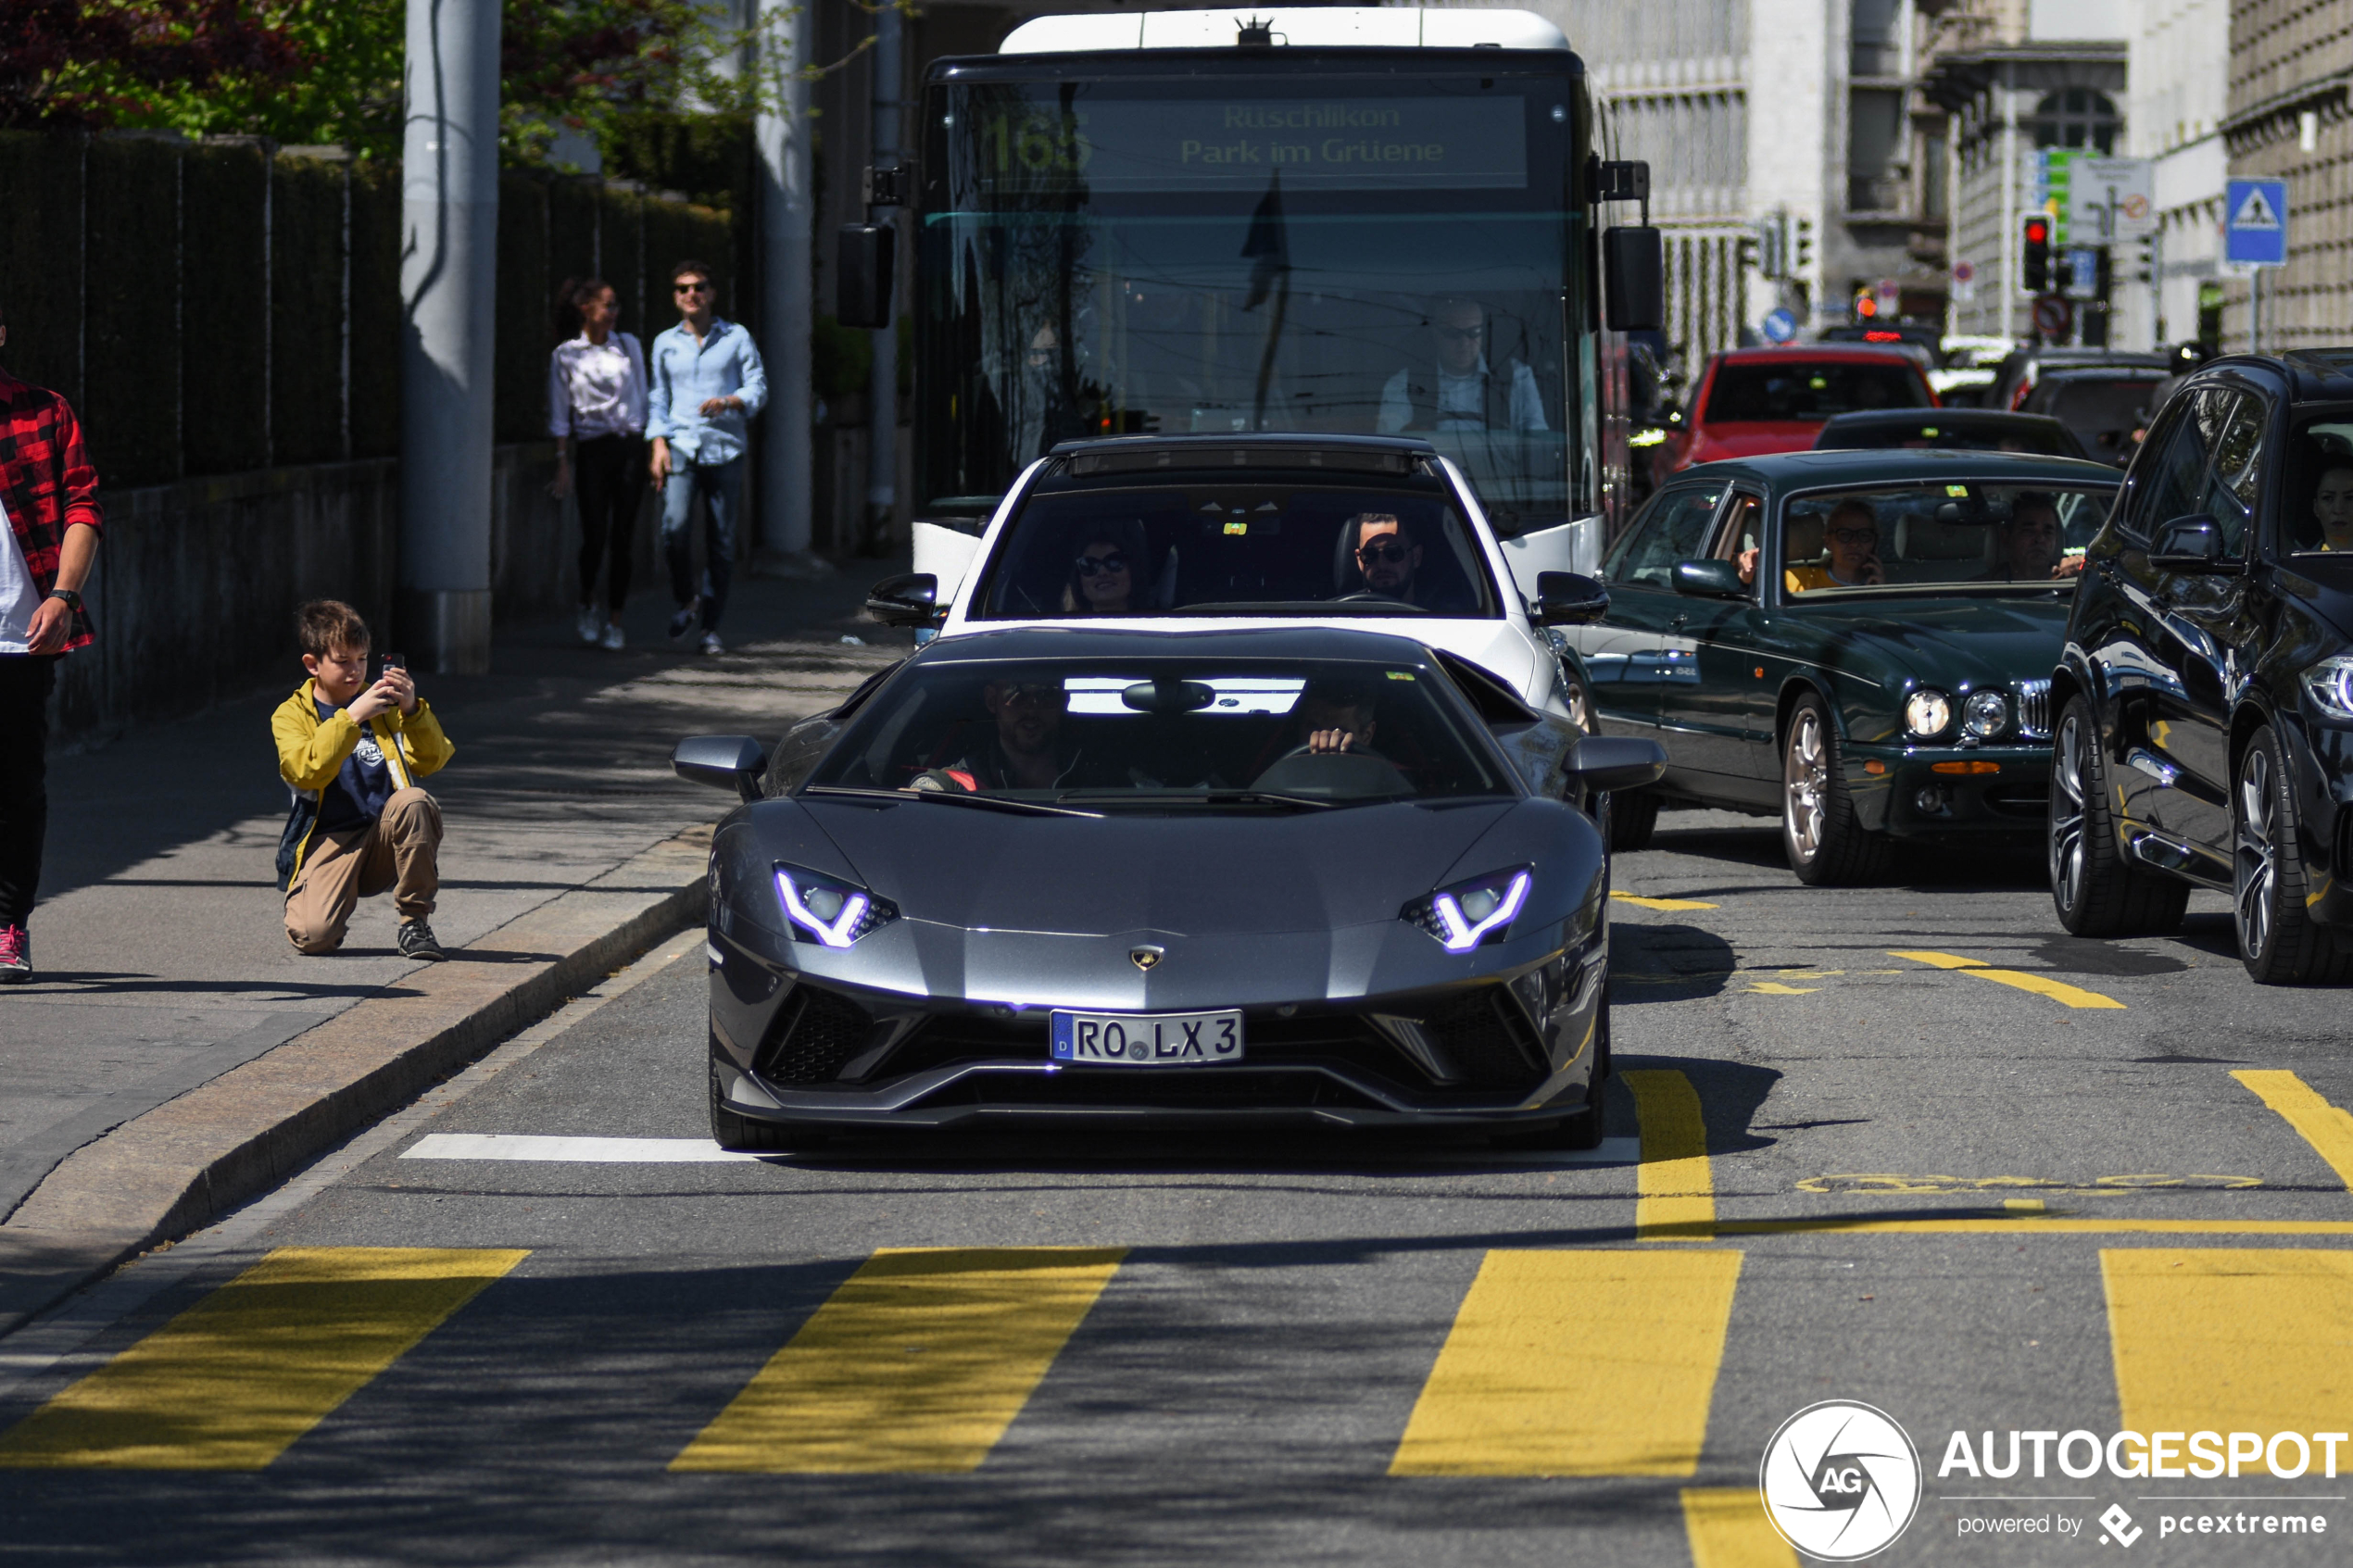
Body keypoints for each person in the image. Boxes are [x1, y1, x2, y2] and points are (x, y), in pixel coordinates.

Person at [0, 300, 104, 984]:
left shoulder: (42, 412)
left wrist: (64, 596)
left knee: (14, 784)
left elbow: (82, 504)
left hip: (19, 635)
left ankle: (9, 926)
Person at [272, 600, 455, 960]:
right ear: (313, 665)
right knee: (313, 937)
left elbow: (432, 760)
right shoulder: (291, 714)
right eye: (342, 661)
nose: (355, 671)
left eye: (362, 658)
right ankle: (327, 897)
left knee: (414, 801)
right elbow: (305, 770)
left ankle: (414, 923)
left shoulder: (385, 704)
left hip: (383, 836)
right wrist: (351, 717)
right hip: (327, 840)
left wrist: (413, 710)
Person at [648, 260, 766, 657]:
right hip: (681, 443)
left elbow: (758, 387)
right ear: (675, 297)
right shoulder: (665, 342)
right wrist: (658, 444)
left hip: (725, 448)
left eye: (698, 287)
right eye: (683, 289)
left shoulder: (736, 337)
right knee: (674, 526)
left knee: (721, 541)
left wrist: (730, 400)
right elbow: (657, 398)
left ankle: (710, 628)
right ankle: (687, 599)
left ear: (712, 293)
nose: (691, 294)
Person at [547, 277, 648, 651]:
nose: (613, 313)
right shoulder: (567, 355)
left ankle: (616, 619)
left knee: (623, 536)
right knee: (594, 535)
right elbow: (560, 413)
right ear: (586, 309)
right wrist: (562, 461)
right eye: (607, 306)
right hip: (592, 447)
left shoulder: (628, 346)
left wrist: (652, 447)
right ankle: (587, 599)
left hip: (629, 446)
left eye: (616, 306)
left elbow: (643, 395)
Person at [1376, 296, 1547, 435]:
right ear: (1436, 334)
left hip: (1503, 477)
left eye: (1473, 333)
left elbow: (1536, 440)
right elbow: (1392, 443)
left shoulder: (1516, 376)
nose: (1464, 343)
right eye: (1453, 333)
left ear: (1483, 332)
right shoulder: (1404, 383)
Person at [909, 679, 1085, 793]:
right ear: (992, 700)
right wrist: (919, 792)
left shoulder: (1097, 774)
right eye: (1017, 692)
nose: (1032, 708)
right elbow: (934, 784)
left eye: (1048, 694)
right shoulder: (969, 778)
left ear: (1064, 701)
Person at [1741, 499, 1885, 593]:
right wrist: (1746, 574)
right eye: (1844, 535)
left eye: (1864, 535)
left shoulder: (1894, 586)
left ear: (1874, 542)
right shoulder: (1795, 580)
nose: (1855, 543)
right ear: (1828, 541)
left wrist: (1882, 593)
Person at [1988, 493, 2085, 581]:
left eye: (2048, 532)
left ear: (2056, 539)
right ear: (2006, 537)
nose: (2040, 539)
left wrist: (2085, 567)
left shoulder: (2073, 582)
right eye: (2029, 531)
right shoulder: (1984, 589)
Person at [1063, 521, 1150, 615]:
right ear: (1078, 580)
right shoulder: (1060, 628)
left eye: (1114, 561)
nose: (1102, 572)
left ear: (1133, 570)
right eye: (1089, 565)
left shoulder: (1159, 625)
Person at [1344, 512, 1429, 604]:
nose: (1381, 565)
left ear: (1416, 556)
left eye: (1393, 553)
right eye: (1369, 554)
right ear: (1359, 560)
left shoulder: (1440, 614)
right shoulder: (1341, 615)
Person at [2310, 463, 2353, 551]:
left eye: (2350, 498)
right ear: (2316, 507)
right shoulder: (2301, 563)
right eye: (2328, 498)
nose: (2338, 510)